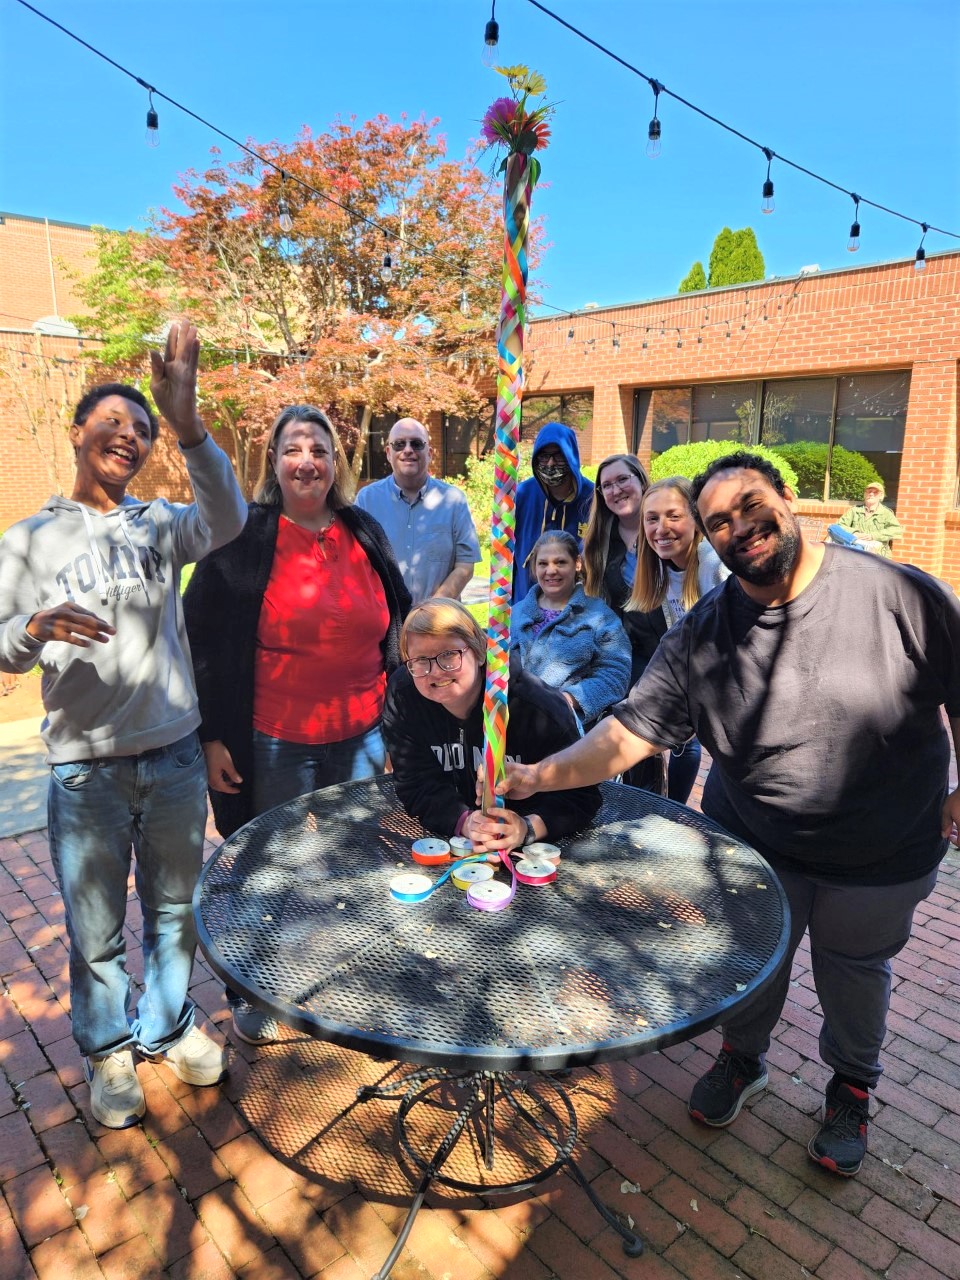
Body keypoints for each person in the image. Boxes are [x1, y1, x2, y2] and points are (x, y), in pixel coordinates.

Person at [497, 450, 960, 1178]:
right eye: (719, 522)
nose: (739, 528)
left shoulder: (895, 593)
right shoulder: (704, 631)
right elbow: (630, 732)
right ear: (708, 541)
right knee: (754, 964)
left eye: (750, 505)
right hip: (755, 841)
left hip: (884, 847)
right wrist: (538, 776)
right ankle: (742, 1060)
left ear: (788, 498)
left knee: (853, 969)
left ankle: (850, 1086)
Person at [0, 322, 248, 1130]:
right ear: (79, 433)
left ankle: (168, 1025)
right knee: (96, 926)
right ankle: (109, 1050)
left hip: (174, 755)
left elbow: (230, 522)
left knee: (176, 911)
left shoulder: (159, 524)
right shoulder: (29, 539)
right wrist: (33, 627)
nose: (129, 438)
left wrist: (189, 424)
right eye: (115, 423)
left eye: (141, 431)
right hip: (87, 769)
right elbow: (2, 647)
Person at [183, 404, 411, 1045]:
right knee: (264, 866)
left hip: (363, 735)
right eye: (293, 449)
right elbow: (199, 634)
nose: (307, 460)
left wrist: (396, 723)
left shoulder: (363, 529)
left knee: (355, 860)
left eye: (319, 448)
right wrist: (210, 736)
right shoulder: (243, 537)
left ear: (336, 461)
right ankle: (251, 986)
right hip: (272, 737)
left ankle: (340, 972)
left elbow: (397, 623)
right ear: (274, 463)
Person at [382, 598, 601, 853]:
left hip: (539, 850)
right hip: (454, 844)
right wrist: (464, 821)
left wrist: (526, 828)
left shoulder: (537, 708)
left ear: (478, 651)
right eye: (420, 660)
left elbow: (583, 795)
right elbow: (415, 782)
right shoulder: (404, 696)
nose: (436, 671)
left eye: (449, 655)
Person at [624, 477, 728, 804]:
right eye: (652, 519)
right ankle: (675, 809)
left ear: (695, 519)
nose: (661, 527)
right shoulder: (664, 570)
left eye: (674, 516)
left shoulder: (713, 563)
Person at [511, 530, 631, 727]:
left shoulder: (600, 617)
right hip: (513, 728)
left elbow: (615, 675)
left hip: (569, 731)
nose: (551, 571)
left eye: (560, 562)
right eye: (543, 563)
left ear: (577, 563)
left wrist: (565, 701)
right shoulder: (512, 616)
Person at [355, 417, 480, 601]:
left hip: (439, 622)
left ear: (429, 453)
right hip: (385, 621)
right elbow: (356, 564)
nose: (408, 450)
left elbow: (465, 565)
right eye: (399, 444)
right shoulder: (366, 501)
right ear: (389, 453)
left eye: (416, 444)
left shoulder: (453, 501)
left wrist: (431, 611)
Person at [513, 422, 594, 600]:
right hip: (526, 603)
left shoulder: (593, 498)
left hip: (578, 609)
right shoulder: (522, 495)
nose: (550, 463)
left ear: (571, 456)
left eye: (559, 456)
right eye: (544, 456)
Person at [830, 481, 903, 558]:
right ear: (865, 494)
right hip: (855, 544)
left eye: (875, 492)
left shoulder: (886, 513)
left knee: (856, 549)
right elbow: (840, 525)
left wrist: (873, 536)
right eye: (869, 491)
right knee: (832, 528)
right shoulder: (854, 510)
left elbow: (897, 530)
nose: (871, 494)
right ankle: (857, 543)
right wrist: (855, 533)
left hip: (876, 552)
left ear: (881, 496)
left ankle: (859, 545)